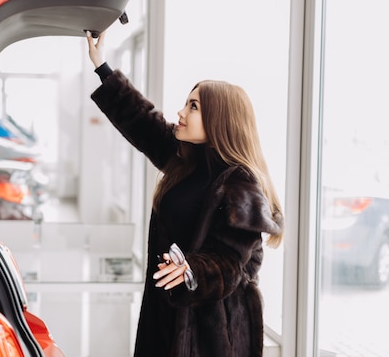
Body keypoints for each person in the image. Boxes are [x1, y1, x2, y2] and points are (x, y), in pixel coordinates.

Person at [85, 30, 284, 357]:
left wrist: (191, 269)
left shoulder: (240, 183)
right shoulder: (187, 161)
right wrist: (102, 66)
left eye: (193, 107)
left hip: (210, 338)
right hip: (166, 320)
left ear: (219, 119)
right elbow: (143, 123)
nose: (180, 112)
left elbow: (231, 264)